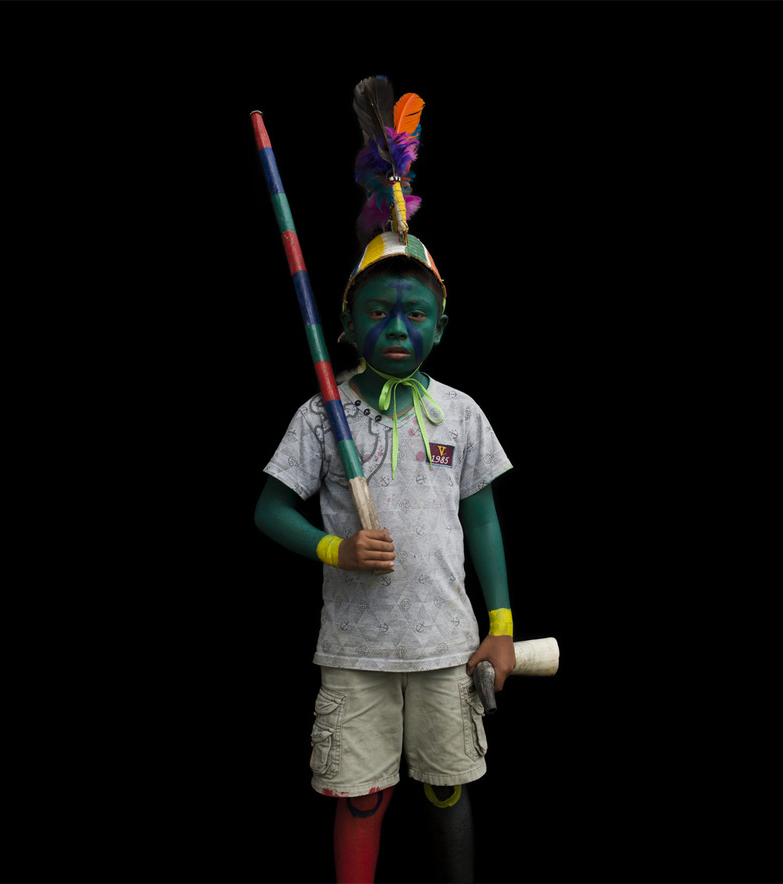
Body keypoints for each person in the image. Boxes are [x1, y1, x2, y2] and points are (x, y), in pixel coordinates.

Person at [254, 76, 516, 884]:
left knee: (447, 787)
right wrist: (333, 547)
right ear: (345, 323)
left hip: (445, 648)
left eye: (413, 313)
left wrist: (501, 625)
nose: (396, 326)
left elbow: (482, 520)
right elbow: (269, 509)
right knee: (361, 796)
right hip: (355, 651)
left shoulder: (459, 413)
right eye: (376, 312)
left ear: (440, 325)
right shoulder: (321, 413)